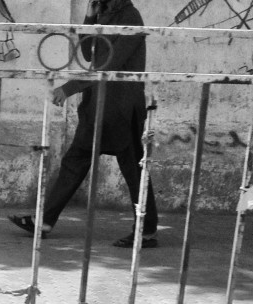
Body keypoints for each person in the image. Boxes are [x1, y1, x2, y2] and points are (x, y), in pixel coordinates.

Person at [8, 0, 158, 248]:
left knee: (133, 168)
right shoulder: (107, 14)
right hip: (99, 105)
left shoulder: (130, 16)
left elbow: (109, 63)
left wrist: (69, 88)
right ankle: (44, 221)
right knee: (75, 161)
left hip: (120, 107)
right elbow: (89, 53)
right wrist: (90, 19)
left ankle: (148, 229)